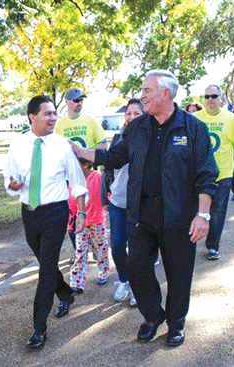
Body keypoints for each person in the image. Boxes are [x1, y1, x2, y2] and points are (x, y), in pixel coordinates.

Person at [72, 70, 218, 347]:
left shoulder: (192, 127)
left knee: (179, 274)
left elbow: (206, 174)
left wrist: (203, 214)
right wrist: (80, 152)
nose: (142, 95)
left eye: (147, 90)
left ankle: (176, 323)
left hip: (179, 217)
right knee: (136, 266)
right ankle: (153, 315)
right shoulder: (137, 128)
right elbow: (113, 156)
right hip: (141, 215)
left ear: (166, 93)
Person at [3, 94, 88, 350]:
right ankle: (65, 293)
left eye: (54, 113)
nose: (53, 118)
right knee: (46, 262)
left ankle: (39, 328)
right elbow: (9, 176)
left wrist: (81, 213)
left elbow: (77, 181)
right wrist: (12, 184)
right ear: (32, 116)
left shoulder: (62, 145)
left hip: (56, 213)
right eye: (47, 113)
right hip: (29, 211)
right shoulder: (17, 144)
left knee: (46, 268)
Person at [193, 86, 234, 260]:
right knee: (192, 209)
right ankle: (188, 242)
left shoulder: (231, 119)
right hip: (198, 175)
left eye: (214, 96)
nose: (210, 99)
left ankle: (212, 246)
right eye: (206, 96)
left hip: (223, 174)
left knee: (217, 212)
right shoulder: (195, 119)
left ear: (221, 99)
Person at [54, 88, 107, 257]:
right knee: (72, 212)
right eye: (76, 100)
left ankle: (95, 246)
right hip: (69, 177)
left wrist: (84, 153)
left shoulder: (90, 121)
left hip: (89, 175)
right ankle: (80, 249)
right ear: (67, 101)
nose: (79, 103)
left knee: (92, 211)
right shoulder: (60, 124)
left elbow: (103, 145)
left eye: (81, 100)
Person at [105, 98, 144, 307]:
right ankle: (123, 279)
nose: (131, 117)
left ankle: (138, 286)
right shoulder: (118, 137)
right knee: (117, 245)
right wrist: (106, 195)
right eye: (128, 113)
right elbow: (108, 167)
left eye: (136, 113)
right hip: (118, 201)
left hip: (141, 204)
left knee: (138, 248)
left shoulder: (150, 137)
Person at [67, 158, 110, 294]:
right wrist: (70, 222)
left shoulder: (97, 177)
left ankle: (104, 272)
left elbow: (106, 193)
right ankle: (77, 282)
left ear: (86, 165)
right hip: (81, 224)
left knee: (101, 250)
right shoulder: (73, 182)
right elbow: (71, 202)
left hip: (97, 222)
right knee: (80, 252)